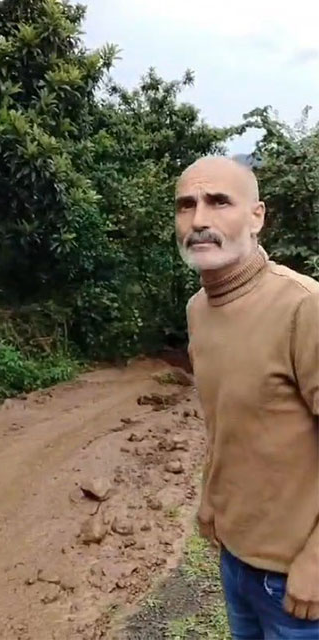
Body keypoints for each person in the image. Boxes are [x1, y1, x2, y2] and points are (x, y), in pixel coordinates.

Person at [180, 155, 319, 639]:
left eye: (219, 201)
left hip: (298, 583)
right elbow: (228, 420)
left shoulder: (304, 306)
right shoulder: (198, 310)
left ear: (257, 216)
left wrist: (316, 562)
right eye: (186, 205)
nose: (199, 219)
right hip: (235, 562)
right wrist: (212, 499)